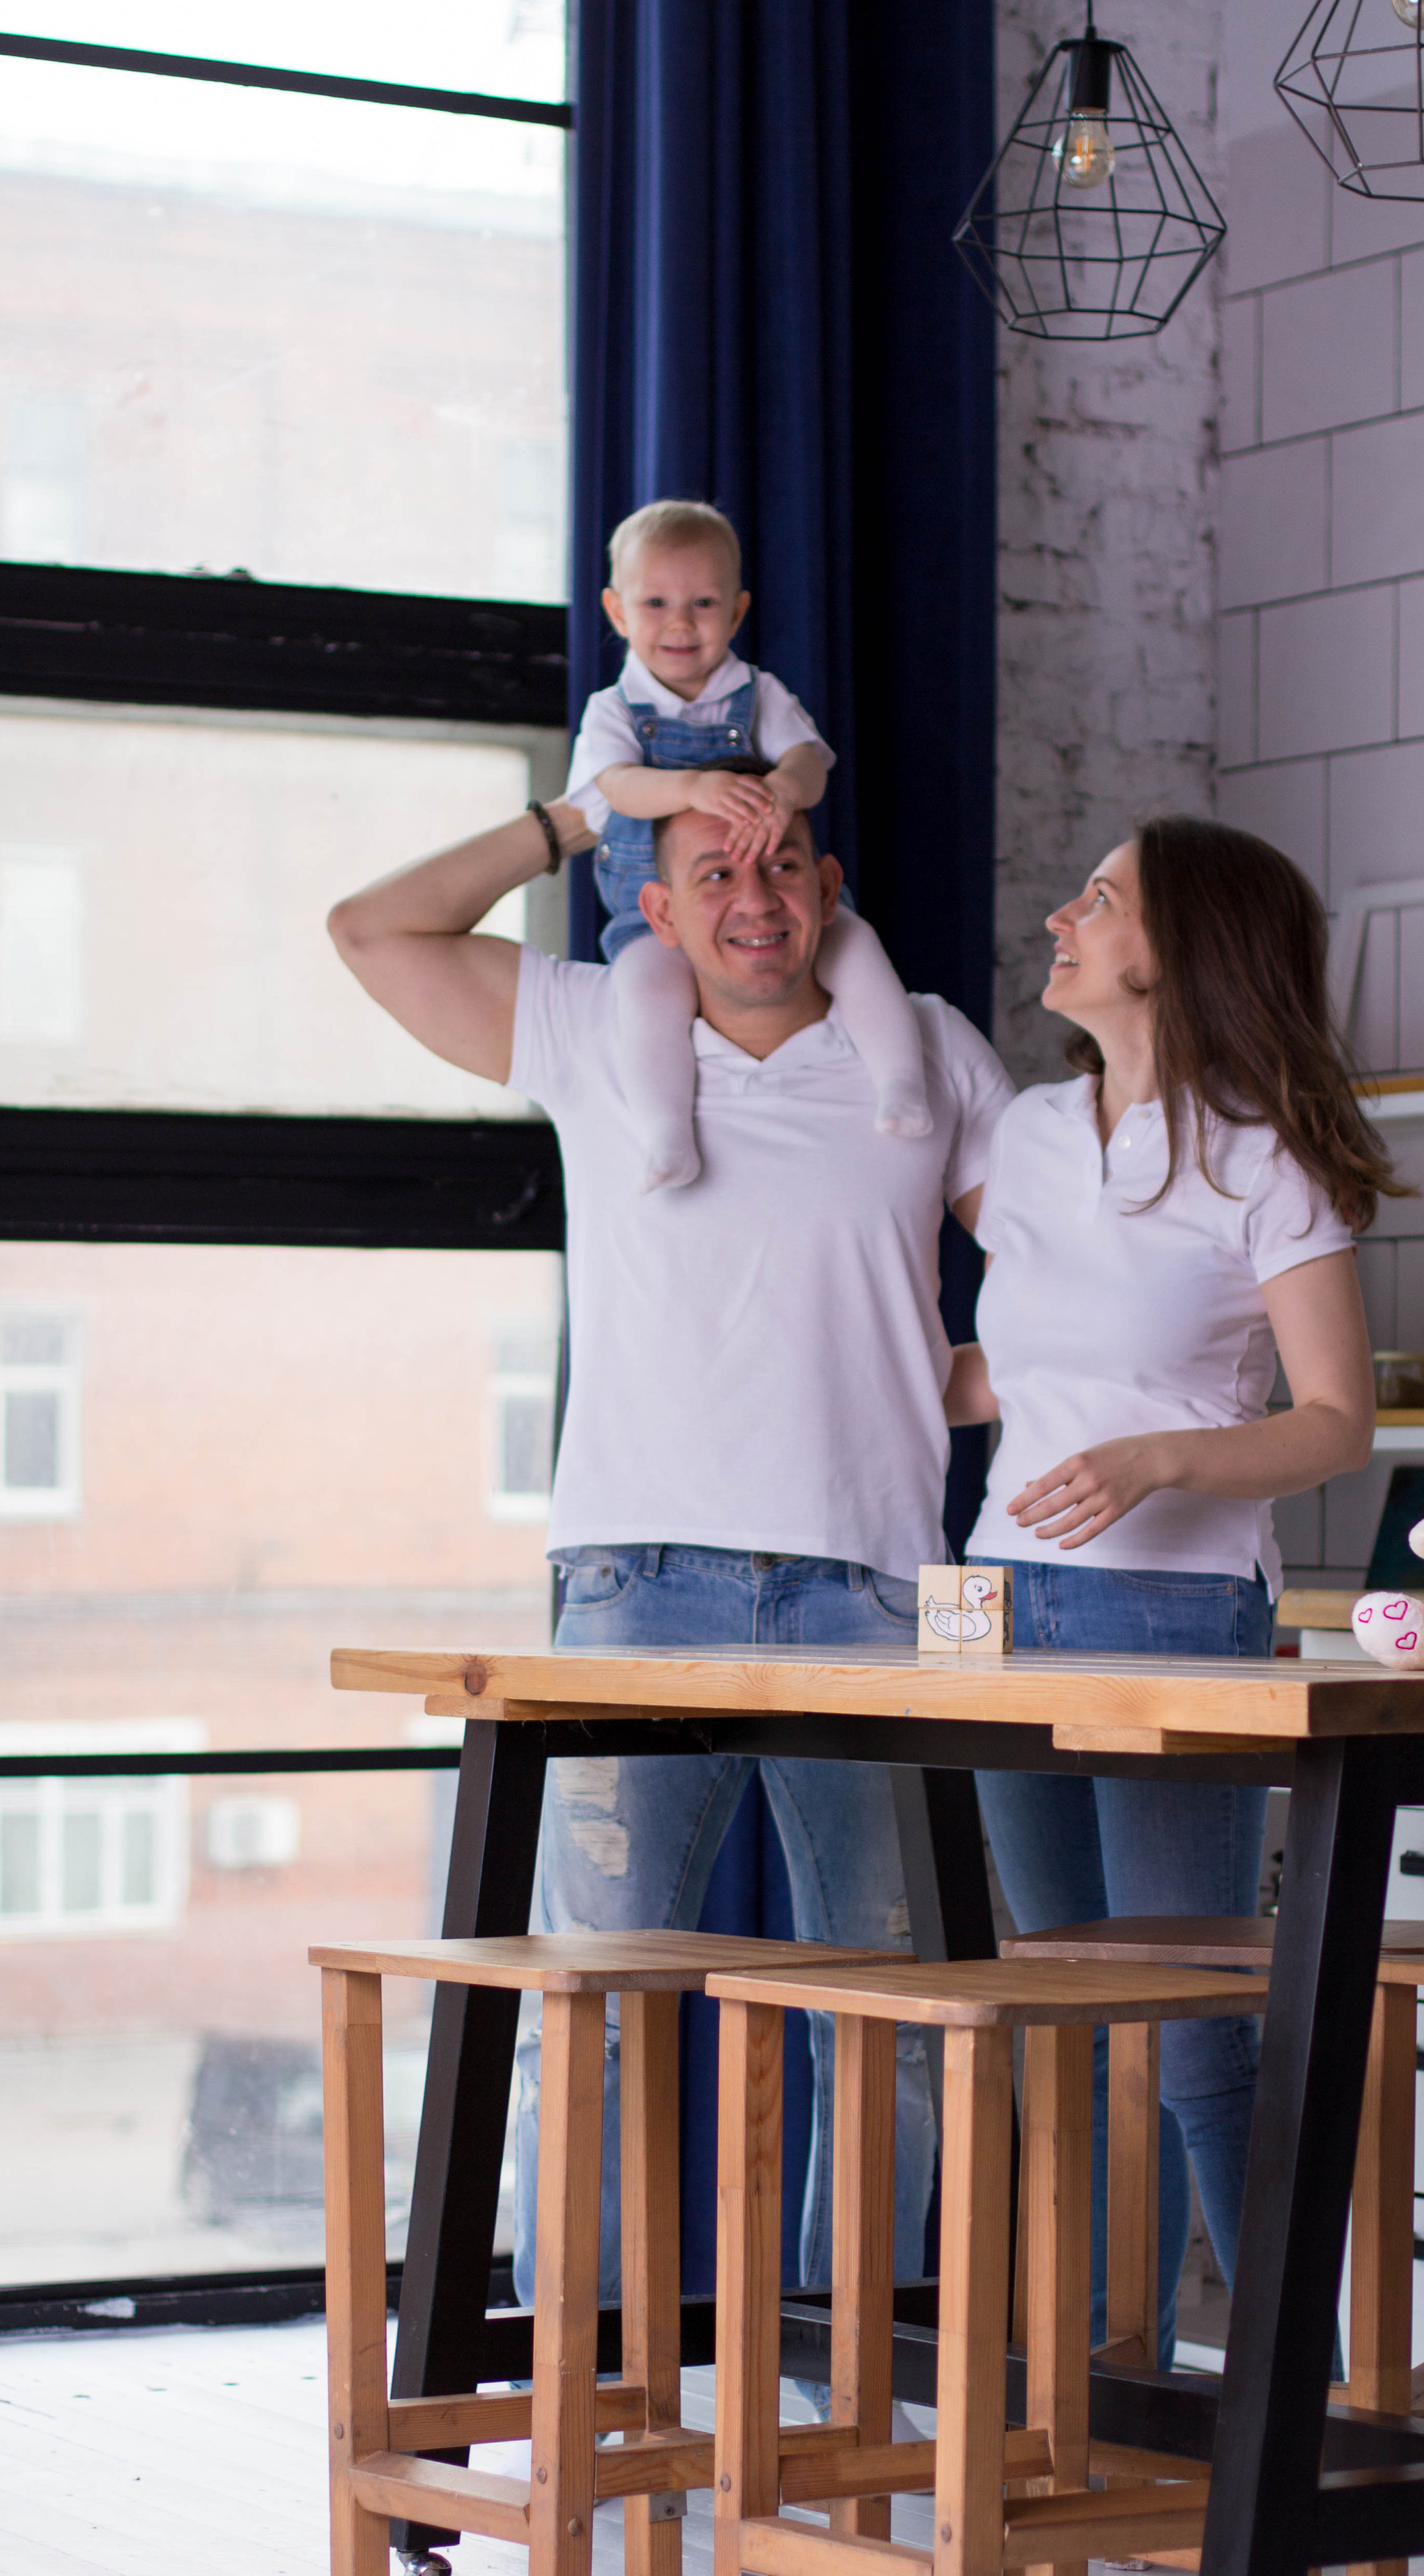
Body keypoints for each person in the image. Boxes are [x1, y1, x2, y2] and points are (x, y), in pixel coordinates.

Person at [328, 779, 1013, 2307]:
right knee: (597, 2017)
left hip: (875, 1595)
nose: (753, 895)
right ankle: (602, 2384)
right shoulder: (589, 1031)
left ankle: (851, 2400)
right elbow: (373, 929)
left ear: (828, 886)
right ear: (656, 906)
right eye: (713, 869)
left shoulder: (926, 1052)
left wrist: (967, 1373)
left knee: (895, 2025)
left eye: (781, 865)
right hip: (637, 1586)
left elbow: (1058, 1274)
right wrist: (579, 815)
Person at [944, 813, 1394, 2363]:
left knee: (1197, 2041)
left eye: (1100, 897)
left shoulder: (1263, 1158)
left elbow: (1337, 1418)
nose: (1061, 915)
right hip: (1006, 1614)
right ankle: (1091, 2413)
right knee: (1064, 2043)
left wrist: (1160, 1461)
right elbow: (1030, 1371)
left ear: (1173, 951)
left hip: (1173, 1624)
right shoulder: (1021, 1136)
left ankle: (1294, 2426)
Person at [570, 497, 930, 1190]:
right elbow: (616, 788)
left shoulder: (757, 693)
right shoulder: (613, 711)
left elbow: (810, 762)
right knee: (645, 991)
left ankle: (900, 1085)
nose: (680, 623)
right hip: (658, 906)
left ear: (736, 613)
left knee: (855, 947)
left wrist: (784, 791)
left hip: (769, 883)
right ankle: (667, 1132)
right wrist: (692, 791)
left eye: (703, 604)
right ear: (617, 613)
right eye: (656, 604)